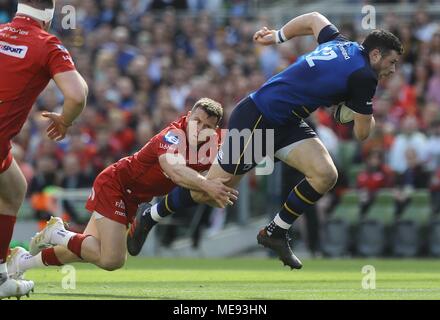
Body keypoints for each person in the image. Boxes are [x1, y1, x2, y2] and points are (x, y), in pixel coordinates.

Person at [127, 11, 403, 269]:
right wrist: (360, 112)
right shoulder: (365, 76)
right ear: (376, 54)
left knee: (325, 174)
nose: (393, 70)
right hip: (259, 119)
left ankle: (275, 232)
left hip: (286, 121)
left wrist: (278, 35)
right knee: (212, 192)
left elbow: (314, 18)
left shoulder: (343, 44)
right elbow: (363, 133)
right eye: (391, 63)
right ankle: (149, 216)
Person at [7, 98, 238, 277]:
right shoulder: (172, 136)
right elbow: (175, 170)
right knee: (112, 260)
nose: (200, 128)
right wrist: (207, 184)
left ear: (215, 130)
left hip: (132, 197)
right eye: (197, 121)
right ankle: (56, 233)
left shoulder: (212, 145)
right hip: (116, 185)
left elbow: (234, 162)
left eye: (208, 126)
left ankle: (24, 261)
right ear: (188, 117)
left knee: (87, 250)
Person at [0, 0, 88, 299]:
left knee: (13, 187)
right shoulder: (46, 43)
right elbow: (76, 95)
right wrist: (65, 120)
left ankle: (1, 276)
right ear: (48, 18)